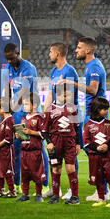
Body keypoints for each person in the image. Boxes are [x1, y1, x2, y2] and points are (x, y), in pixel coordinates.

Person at [57, 36, 108, 202]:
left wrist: (72, 83)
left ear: (87, 50)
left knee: (94, 151)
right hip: (91, 113)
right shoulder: (90, 66)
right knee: (91, 150)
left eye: (79, 48)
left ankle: (104, 190)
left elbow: (93, 90)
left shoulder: (93, 66)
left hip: (95, 114)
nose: (76, 50)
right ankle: (103, 189)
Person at [1, 43, 50, 196]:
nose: (9, 62)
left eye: (12, 58)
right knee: (16, 149)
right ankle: (17, 185)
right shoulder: (7, 69)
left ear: (18, 53)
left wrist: (12, 107)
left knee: (37, 150)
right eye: (7, 59)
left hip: (31, 114)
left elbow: (25, 92)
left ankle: (45, 184)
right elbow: (7, 90)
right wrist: (5, 111)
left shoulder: (29, 68)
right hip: (16, 115)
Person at [44, 42, 80, 199]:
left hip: (69, 117)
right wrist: (46, 113)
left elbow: (70, 97)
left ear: (57, 53)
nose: (49, 54)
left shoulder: (69, 71)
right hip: (55, 115)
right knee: (55, 158)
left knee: (71, 154)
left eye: (51, 51)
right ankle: (55, 189)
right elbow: (52, 94)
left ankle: (73, 191)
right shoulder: (54, 71)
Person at [42, 84, 81, 205]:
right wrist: (49, 142)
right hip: (55, 143)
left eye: (68, 94)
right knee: (56, 169)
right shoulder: (50, 109)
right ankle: (55, 195)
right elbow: (44, 130)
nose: (67, 97)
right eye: (65, 95)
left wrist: (78, 144)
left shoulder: (72, 109)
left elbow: (77, 128)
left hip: (69, 142)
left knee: (70, 168)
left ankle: (75, 197)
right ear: (57, 94)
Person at [83, 97, 110, 208]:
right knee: (98, 178)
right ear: (96, 109)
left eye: (107, 108)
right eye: (104, 109)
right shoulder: (88, 125)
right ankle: (101, 198)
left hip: (108, 156)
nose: (106, 111)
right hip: (94, 156)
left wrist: (107, 146)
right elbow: (86, 142)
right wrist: (96, 148)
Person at [15, 92, 46, 203]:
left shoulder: (39, 118)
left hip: (35, 151)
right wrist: (18, 135)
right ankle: (25, 194)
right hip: (24, 150)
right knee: (25, 174)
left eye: (27, 104)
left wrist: (31, 132)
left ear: (35, 105)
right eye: (24, 104)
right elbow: (23, 133)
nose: (25, 107)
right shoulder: (24, 118)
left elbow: (43, 134)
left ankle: (39, 194)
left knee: (37, 174)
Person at [0, 98, 16, 198]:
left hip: (7, 151)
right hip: (1, 151)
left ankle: (12, 191)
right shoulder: (3, 120)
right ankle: (1, 190)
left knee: (8, 171)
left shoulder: (9, 120)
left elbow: (8, 139)